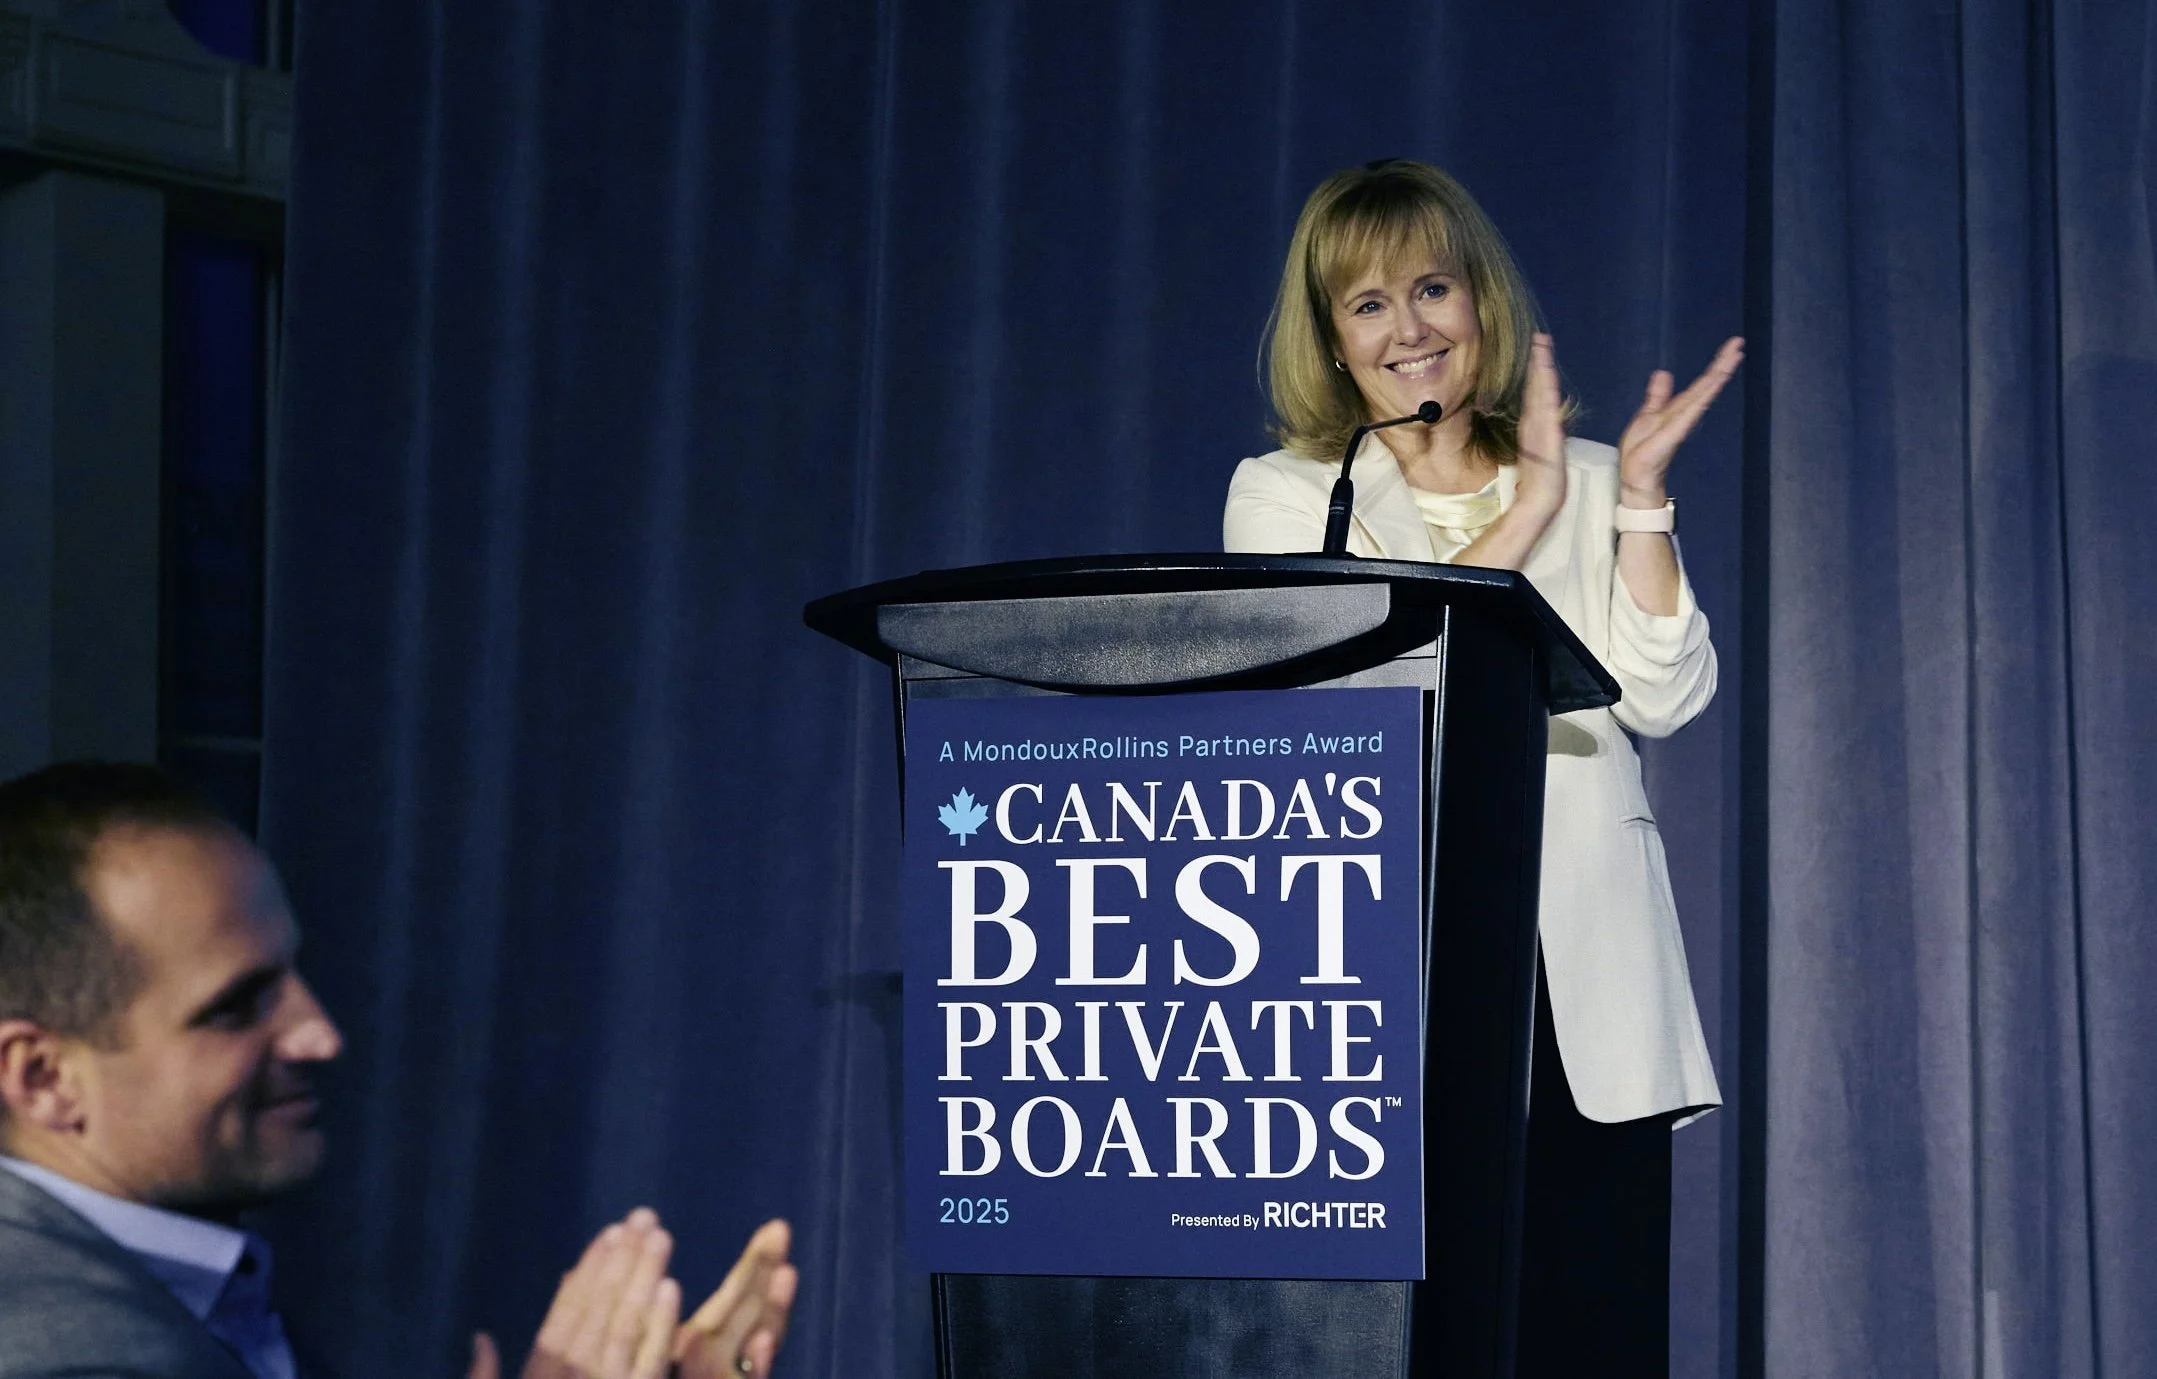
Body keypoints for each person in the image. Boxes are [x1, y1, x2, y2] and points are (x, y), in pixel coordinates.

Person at [1224, 158, 1742, 1375]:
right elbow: (1350, 705)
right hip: (1392, 973)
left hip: (1590, 984)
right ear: (1332, 339)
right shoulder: (1290, 496)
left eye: (1431, 288)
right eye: (1369, 303)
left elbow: (1665, 697)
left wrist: (1640, 501)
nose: (1409, 328)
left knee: (1592, 1335)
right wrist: (1527, 517)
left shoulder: (1596, 471)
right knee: (1425, 1338)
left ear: (1478, 301)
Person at [0, 761, 796, 1379]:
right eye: (237, 1005)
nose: (320, 1034)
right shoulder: (55, 1349)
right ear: (41, 1077)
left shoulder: (181, 1288)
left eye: (293, 976)